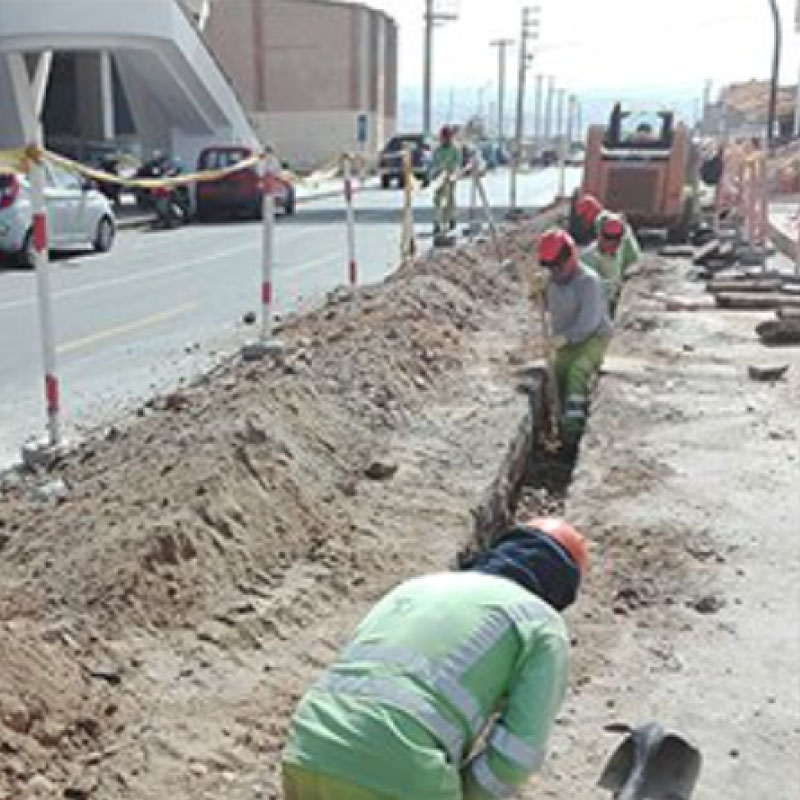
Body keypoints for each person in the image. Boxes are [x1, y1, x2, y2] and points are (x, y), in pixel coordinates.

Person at [282, 517, 589, 800]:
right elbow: (516, 758)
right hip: (399, 770)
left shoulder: (416, 587)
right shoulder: (540, 622)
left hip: (306, 749)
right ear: (562, 586)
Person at [536, 228, 612, 455]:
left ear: (569, 257)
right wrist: (537, 295)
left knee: (576, 373)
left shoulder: (588, 283)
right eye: (549, 267)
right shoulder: (552, 282)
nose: (554, 272)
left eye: (557, 266)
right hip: (567, 342)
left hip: (593, 339)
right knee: (558, 374)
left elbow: (589, 322)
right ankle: (558, 425)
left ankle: (572, 436)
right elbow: (547, 309)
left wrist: (564, 338)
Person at [581, 211, 641, 314]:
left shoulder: (622, 248)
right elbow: (588, 290)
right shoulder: (588, 257)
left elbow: (634, 260)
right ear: (599, 235)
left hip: (612, 300)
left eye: (617, 241)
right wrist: (610, 284)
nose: (613, 245)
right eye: (609, 240)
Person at [431, 125, 463, 236]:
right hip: (439, 176)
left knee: (450, 199)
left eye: (447, 137)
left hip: (450, 176)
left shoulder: (455, 149)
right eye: (443, 137)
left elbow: (457, 163)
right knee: (438, 199)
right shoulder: (438, 150)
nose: (445, 139)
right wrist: (435, 172)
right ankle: (437, 222)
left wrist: (452, 172)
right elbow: (434, 162)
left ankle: (451, 218)